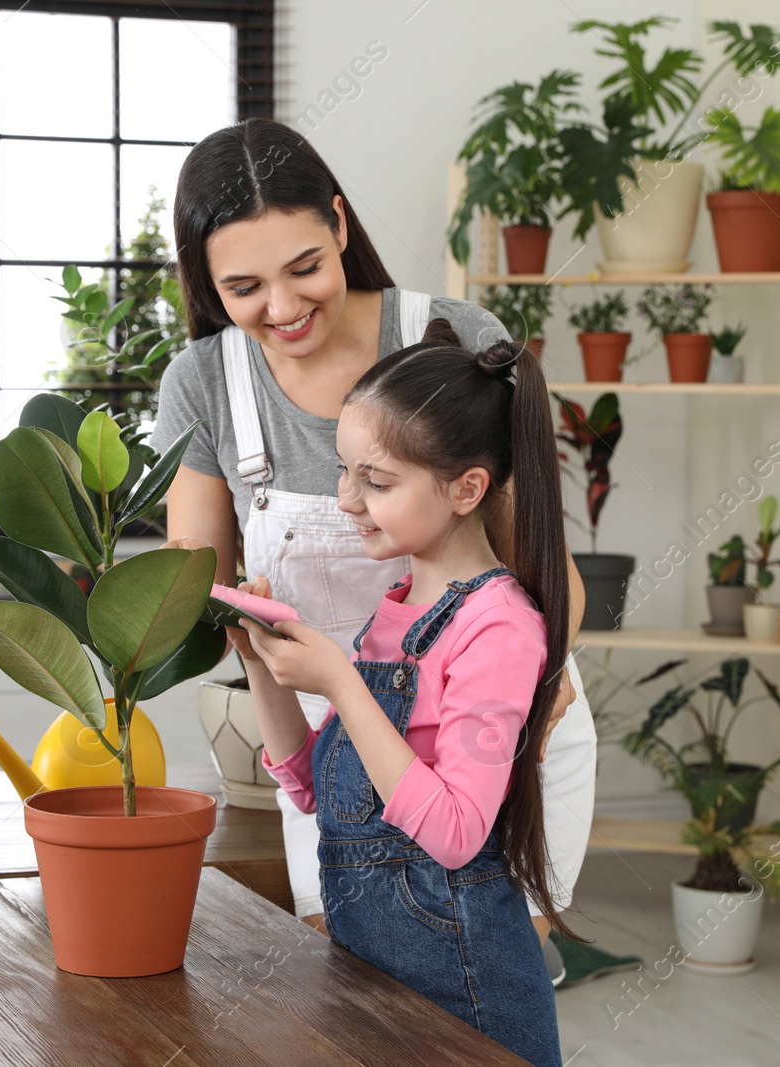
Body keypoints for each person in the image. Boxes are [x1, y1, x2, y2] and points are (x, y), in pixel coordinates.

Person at [152, 118, 596, 979]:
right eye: (243, 286)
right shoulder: (205, 381)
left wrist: (533, 703)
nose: (282, 308)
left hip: (493, 728)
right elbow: (195, 585)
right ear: (205, 282)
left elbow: (540, 561)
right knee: (354, 1003)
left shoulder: (450, 335)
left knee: (480, 1000)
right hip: (341, 752)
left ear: (342, 227)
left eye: (305, 268)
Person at [241, 323, 568, 1067]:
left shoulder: (499, 626)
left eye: (377, 481)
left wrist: (341, 683)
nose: (346, 498)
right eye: (345, 470)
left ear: (467, 488)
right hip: (373, 983)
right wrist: (261, 660)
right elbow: (316, 791)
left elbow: (454, 831)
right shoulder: (395, 607)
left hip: (467, 999)